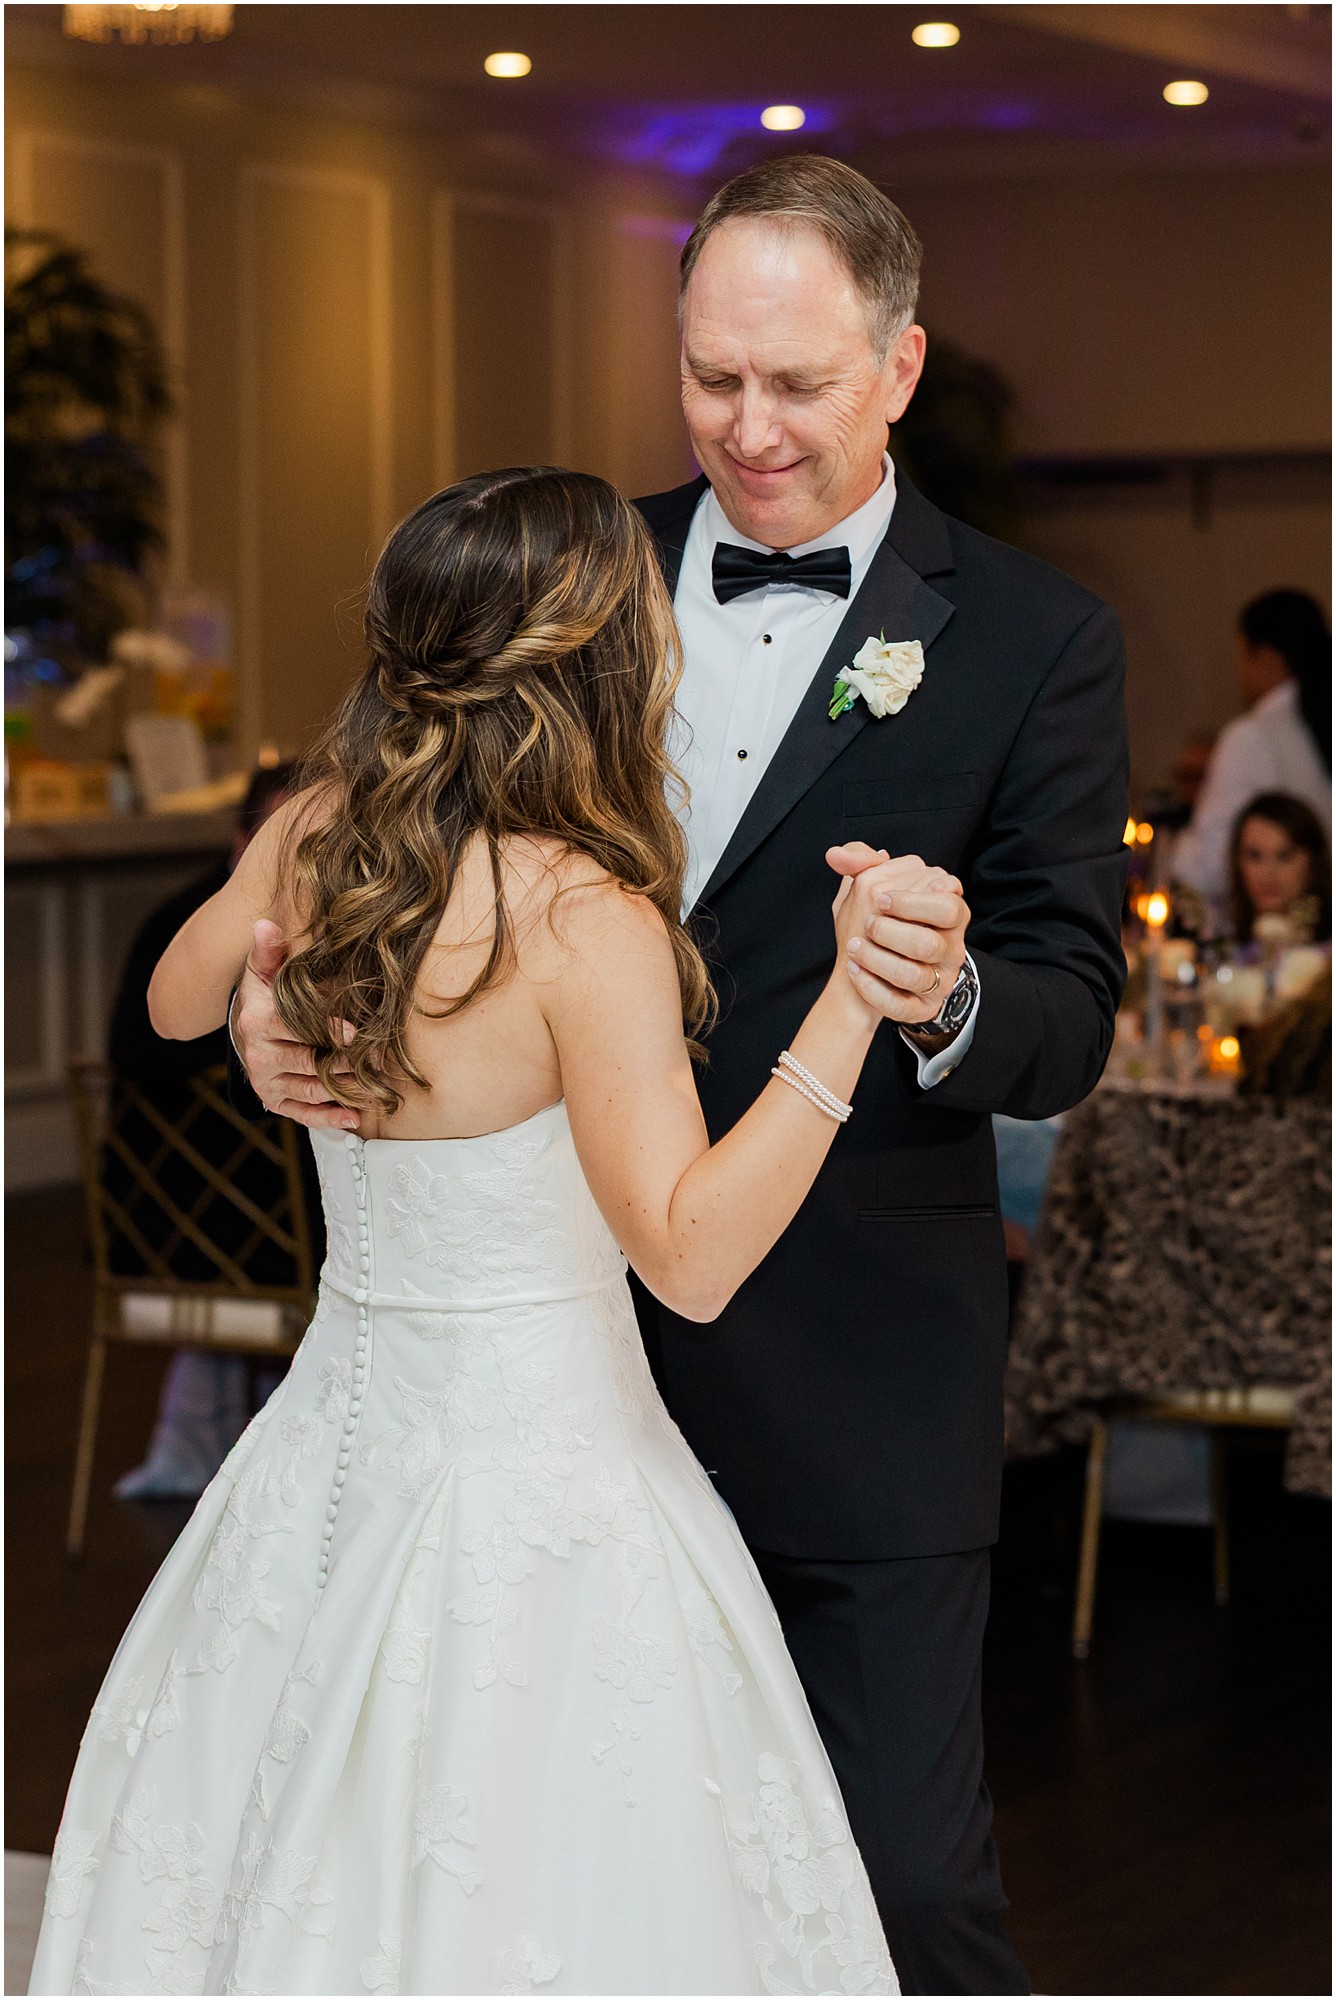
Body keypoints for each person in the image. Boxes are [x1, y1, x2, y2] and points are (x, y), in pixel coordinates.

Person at [224, 156, 1129, 1997]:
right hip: (556, 1367)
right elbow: (382, 853)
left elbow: (1077, 1005)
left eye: (796, 384)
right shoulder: (569, 572)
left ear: (898, 365)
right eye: (712, 377)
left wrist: (947, 991)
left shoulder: (1037, 636)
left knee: (897, 1882)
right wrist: (284, 1006)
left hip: (856, 1358)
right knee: (562, 1888)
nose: (748, 428)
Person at [30, 467, 904, 1997]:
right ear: (603, 661)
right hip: (547, 1500)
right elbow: (690, 1263)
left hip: (324, 1469)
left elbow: (170, 1000)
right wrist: (849, 1008)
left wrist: (250, 1000)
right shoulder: (587, 922)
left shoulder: (320, 833)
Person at [103, 762, 321, 1501]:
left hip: (167, 1225)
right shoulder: (194, 930)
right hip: (222, 1222)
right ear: (242, 839)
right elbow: (148, 1048)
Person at [1173, 589, 1331, 904]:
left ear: (1266, 657)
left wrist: (1169, 853)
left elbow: (1210, 865)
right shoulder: (1318, 724)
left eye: (1242, 654)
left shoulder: (1251, 737)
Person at [1227, 791, 1331, 948]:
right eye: (1255, 856)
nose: (1268, 872)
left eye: (1284, 856)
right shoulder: (1222, 951)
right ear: (1237, 862)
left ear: (1313, 862)